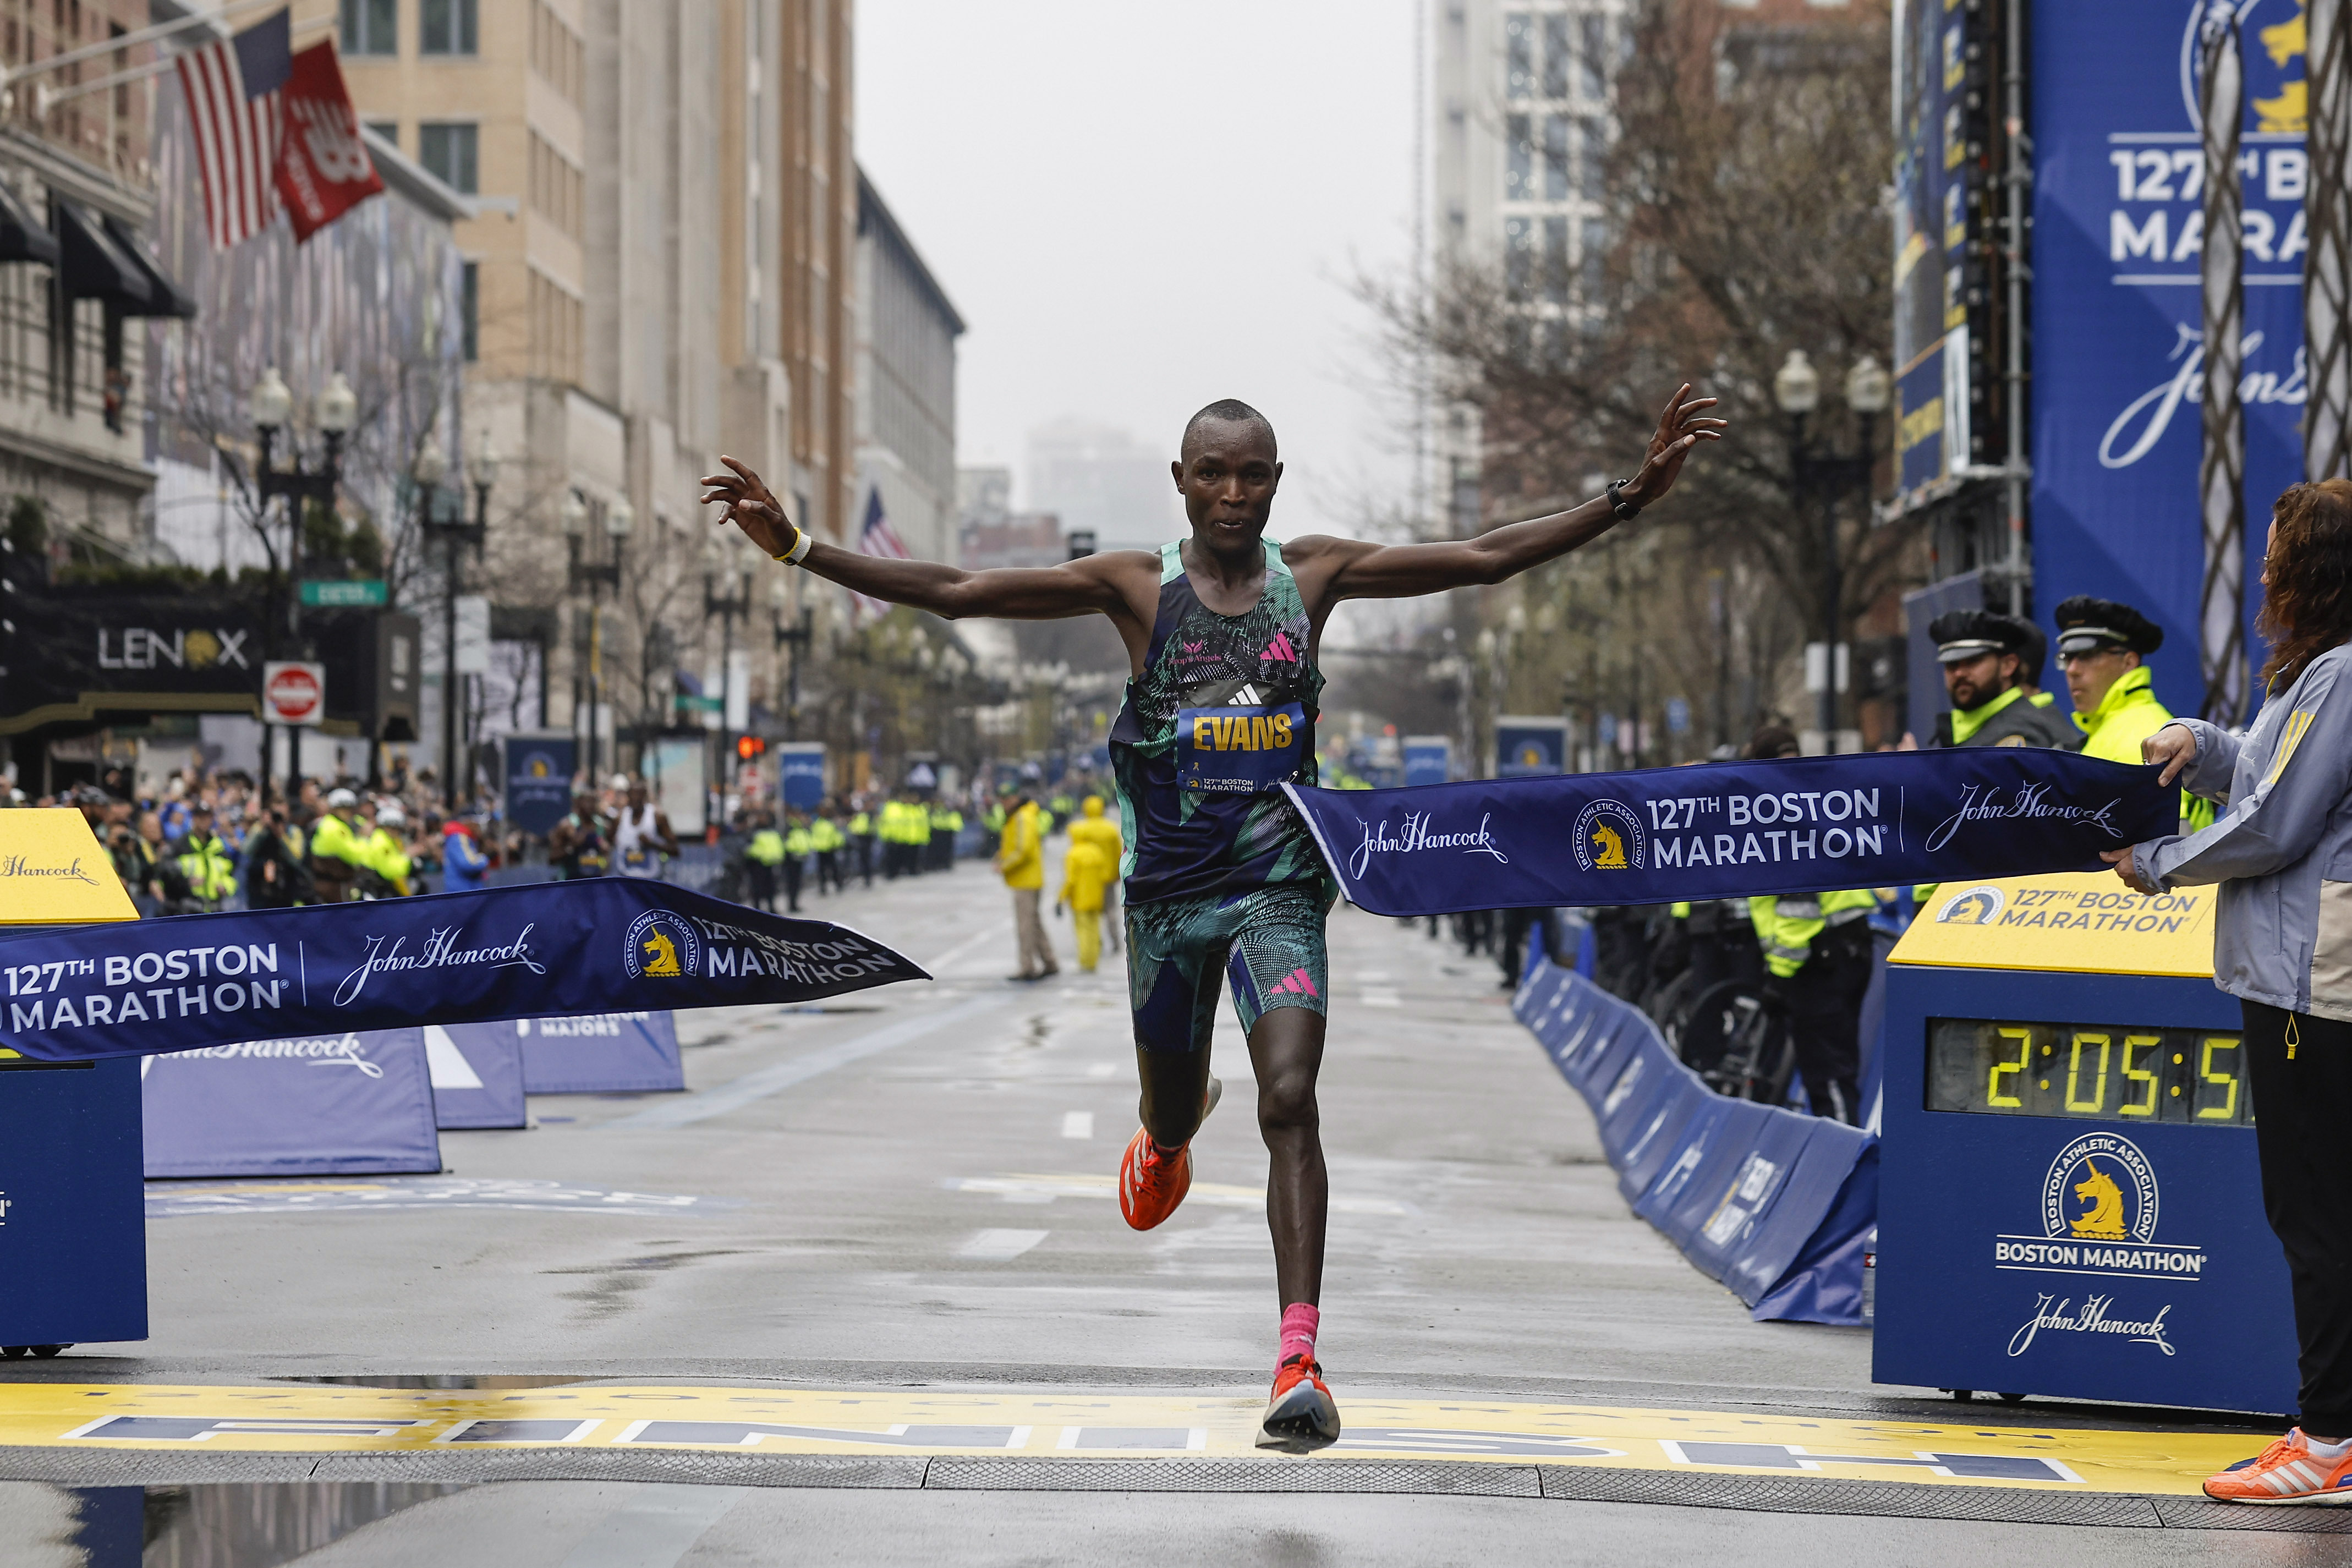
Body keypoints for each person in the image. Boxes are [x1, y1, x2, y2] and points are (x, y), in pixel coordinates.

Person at [703, 381, 1721, 1453]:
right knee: (1179, 1114)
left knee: (1291, 1100)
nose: (1233, 494)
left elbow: (1479, 556)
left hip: (1279, 891)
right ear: (1180, 483)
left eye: (1253, 475)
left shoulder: (1314, 576)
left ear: (1275, 485)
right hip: (1168, 907)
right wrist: (801, 548)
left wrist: (1625, 499)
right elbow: (959, 589)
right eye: (1213, 474)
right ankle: (1168, 1132)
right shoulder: (1134, 588)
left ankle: (1298, 1359)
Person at [2105, 479, 2352, 1505]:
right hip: (2302, 975)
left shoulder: (2340, 673)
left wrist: (2156, 862)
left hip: (2309, 986)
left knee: (2316, 1214)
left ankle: (2330, 1443)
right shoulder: (2320, 672)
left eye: (2278, 554)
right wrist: (2198, 745)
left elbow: (2274, 825)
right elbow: (2261, 773)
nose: (2262, 572)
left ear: (2315, 568)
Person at [1923, 610, 2079, 748]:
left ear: (2008, 666)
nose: (1960, 673)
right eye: (1952, 665)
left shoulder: (2019, 732)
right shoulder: (1974, 727)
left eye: (1973, 661)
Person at [996, 790, 1055, 981]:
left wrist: (1004, 865)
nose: (1003, 804)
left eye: (1005, 800)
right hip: (1028, 879)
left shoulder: (1023, 817)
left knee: (1026, 926)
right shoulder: (1021, 816)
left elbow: (1023, 849)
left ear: (1015, 799)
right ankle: (1049, 961)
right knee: (1034, 923)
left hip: (1026, 880)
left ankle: (1027, 967)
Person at [1067, 795, 1125, 954]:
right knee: (1111, 910)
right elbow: (1117, 853)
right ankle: (1115, 941)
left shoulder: (1081, 829)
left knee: (1093, 912)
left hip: (1089, 878)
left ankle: (1096, 943)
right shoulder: (1110, 829)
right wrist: (1117, 873)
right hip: (1108, 877)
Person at [1057, 827, 1114, 972]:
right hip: (1097, 898)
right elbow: (1104, 875)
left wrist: (1061, 898)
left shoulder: (1073, 854)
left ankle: (1085, 961)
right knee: (1095, 929)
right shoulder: (1096, 852)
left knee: (1082, 931)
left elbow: (1070, 880)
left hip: (1080, 900)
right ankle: (1094, 961)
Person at [613, 777, 682, 880]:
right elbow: (608, 843)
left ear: (645, 796)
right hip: (626, 881)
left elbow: (676, 851)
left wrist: (652, 844)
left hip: (651, 881)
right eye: (632, 794)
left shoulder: (657, 817)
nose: (635, 798)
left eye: (638, 794)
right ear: (627, 795)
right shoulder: (620, 818)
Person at [306, 788, 366, 903]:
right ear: (333, 809)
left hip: (331, 885)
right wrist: (363, 838)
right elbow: (355, 857)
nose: (347, 813)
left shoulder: (335, 824)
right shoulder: (335, 828)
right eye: (342, 809)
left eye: (350, 809)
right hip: (334, 886)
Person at [176, 805, 239, 912]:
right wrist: (185, 883)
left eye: (207, 817)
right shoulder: (182, 844)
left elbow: (230, 873)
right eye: (200, 817)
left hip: (215, 904)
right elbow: (169, 872)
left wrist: (225, 886)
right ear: (194, 819)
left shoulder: (218, 846)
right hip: (189, 904)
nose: (204, 821)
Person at [550, 792, 611, 880]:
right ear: (578, 803)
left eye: (593, 802)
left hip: (593, 883)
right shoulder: (567, 826)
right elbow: (552, 859)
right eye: (586, 802)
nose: (590, 806)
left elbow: (604, 862)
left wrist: (605, 855)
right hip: (570, 882)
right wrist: (571, 847)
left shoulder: (601, 827)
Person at [745, 812, 785, 913]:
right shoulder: (753, 832)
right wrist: (759, 855)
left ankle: (771, 908)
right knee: (757, 888)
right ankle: (757, 909)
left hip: (771, 864)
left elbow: (777, 845)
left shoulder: (773, 831)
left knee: (771, 888)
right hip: (757, 864)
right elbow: (748, 848)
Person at [441, 813, 491, 893]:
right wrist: (483, 860)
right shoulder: (460, 838)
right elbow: (468, 864)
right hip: (465, 891)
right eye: (477, 823)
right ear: (469, 822)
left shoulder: (460, 837)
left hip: (462, 891)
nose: (478, 827)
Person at [781, 810, 812, 913]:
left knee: (796, 883)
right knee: (793, 883)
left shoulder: (799, 827)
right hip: (792, 859)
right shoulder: (790, 827)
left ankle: (794, 903)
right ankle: (792, 904)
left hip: (799, 858)